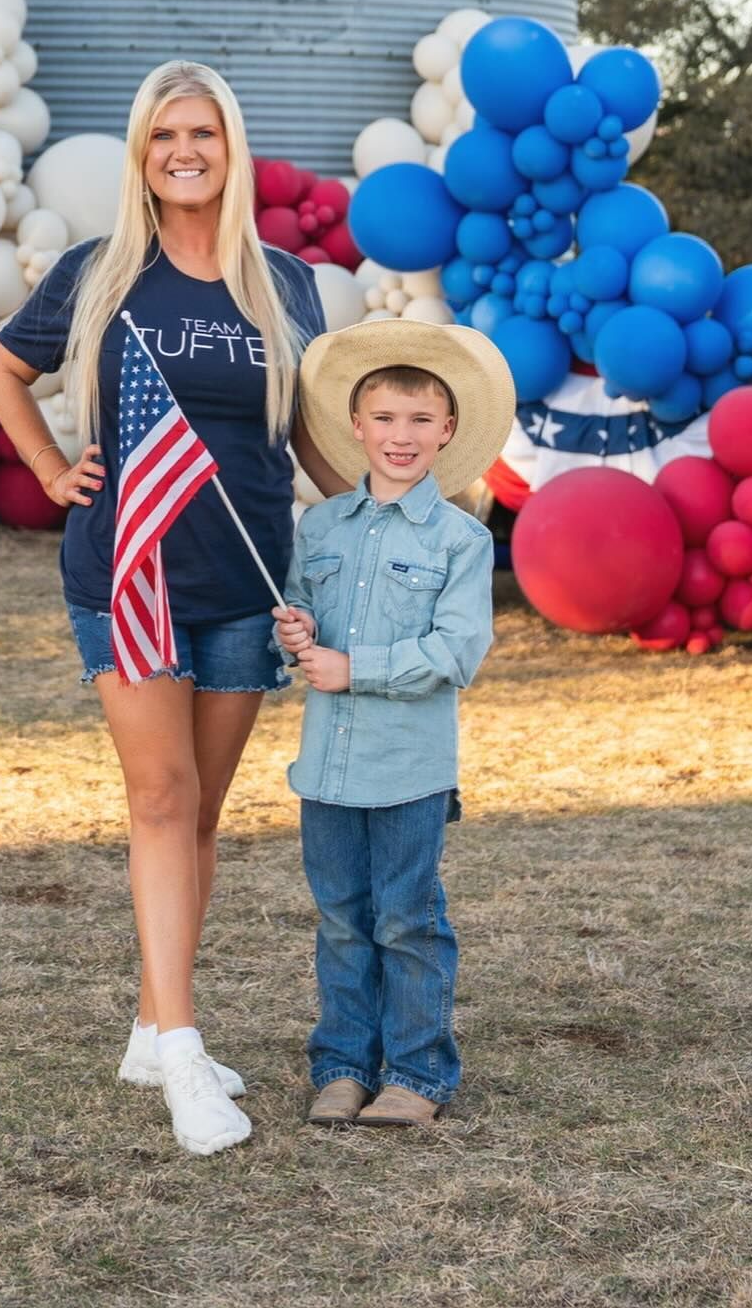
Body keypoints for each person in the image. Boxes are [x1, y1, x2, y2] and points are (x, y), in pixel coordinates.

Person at [0, 60, 342, 1157]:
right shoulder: (100, 272)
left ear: (232, 150)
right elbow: (2, 367)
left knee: (200, 816)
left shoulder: (287, 283)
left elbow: (302, 433)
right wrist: (49, 468)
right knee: (159, 796)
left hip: (247, 578)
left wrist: (390, 504)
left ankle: (151, 1026)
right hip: (129, 573)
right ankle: (184, 1054)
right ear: (143, 154)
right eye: (164, 135)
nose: (184, 152)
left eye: (204, 134)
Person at [273, 318, 515, 1128]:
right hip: (327, 769)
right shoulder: (320, 528)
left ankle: (416, 1074)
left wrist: (358, 668)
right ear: (356, 426)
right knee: (343, 921)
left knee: (407, 920)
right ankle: (343, 1066)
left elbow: (456, 651)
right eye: (383, 417)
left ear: (448, 430)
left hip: (409, 769)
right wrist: (297, 632)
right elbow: (300, 616)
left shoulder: (461, 540)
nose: (400, 435)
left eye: (419, 419)